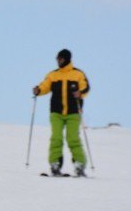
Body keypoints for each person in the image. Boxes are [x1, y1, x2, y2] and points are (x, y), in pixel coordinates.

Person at [33, 48, 90, 176]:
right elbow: (45, 86)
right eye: (57, 59)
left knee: (73, 138)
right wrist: (38, 90)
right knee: (56, 138)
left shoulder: (78, 74)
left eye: (61, 59)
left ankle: (79, 165)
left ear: (67, 59)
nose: (58, 61)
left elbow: (86, 87)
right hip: (56, 112)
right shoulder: (53, 75)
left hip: (73, 112)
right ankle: (55, 165)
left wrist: (80, 93)